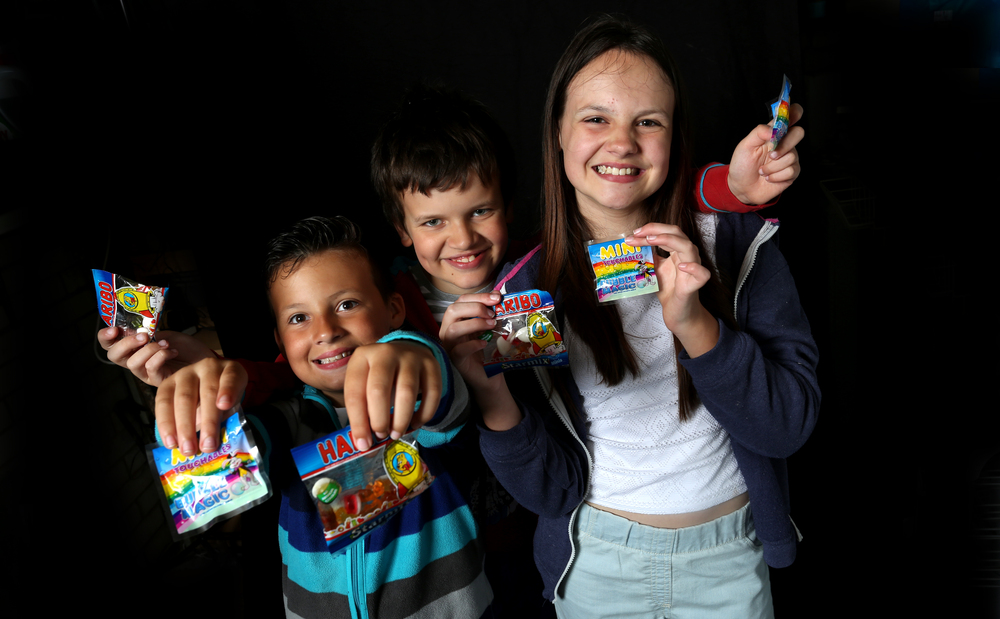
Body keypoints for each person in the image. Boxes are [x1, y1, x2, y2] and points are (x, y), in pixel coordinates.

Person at [97, 83, 802, 442]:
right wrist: (212, 364)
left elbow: (652, 215)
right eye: (432, 222)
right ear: (402, 232)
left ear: (510, 206)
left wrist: (734, 191)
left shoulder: (546, 263)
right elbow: (301, 372)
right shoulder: (381, 301)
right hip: (440, 518)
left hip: (555, 494)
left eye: (479, 211)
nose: (461, 239)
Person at [439, 15, 819, 619]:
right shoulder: (525, 293)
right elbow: (548, 491)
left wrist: (697, 325)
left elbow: (786, 427)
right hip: (597, 561)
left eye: (648, 121)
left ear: (674, 137)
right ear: (558, 133)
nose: (622, 141)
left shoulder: (738, 244)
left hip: (729, 554)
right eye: (595, 118)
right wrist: (489, 394)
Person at [155, 216, 503, 619]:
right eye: (299, 318)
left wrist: (412, 350)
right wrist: (199, 410)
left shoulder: (418, 407)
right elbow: (222, 468)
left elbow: (440, 396)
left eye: (347, 304)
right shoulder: (289, 421)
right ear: (280, 341)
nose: (325, 330)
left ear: (394, 310)